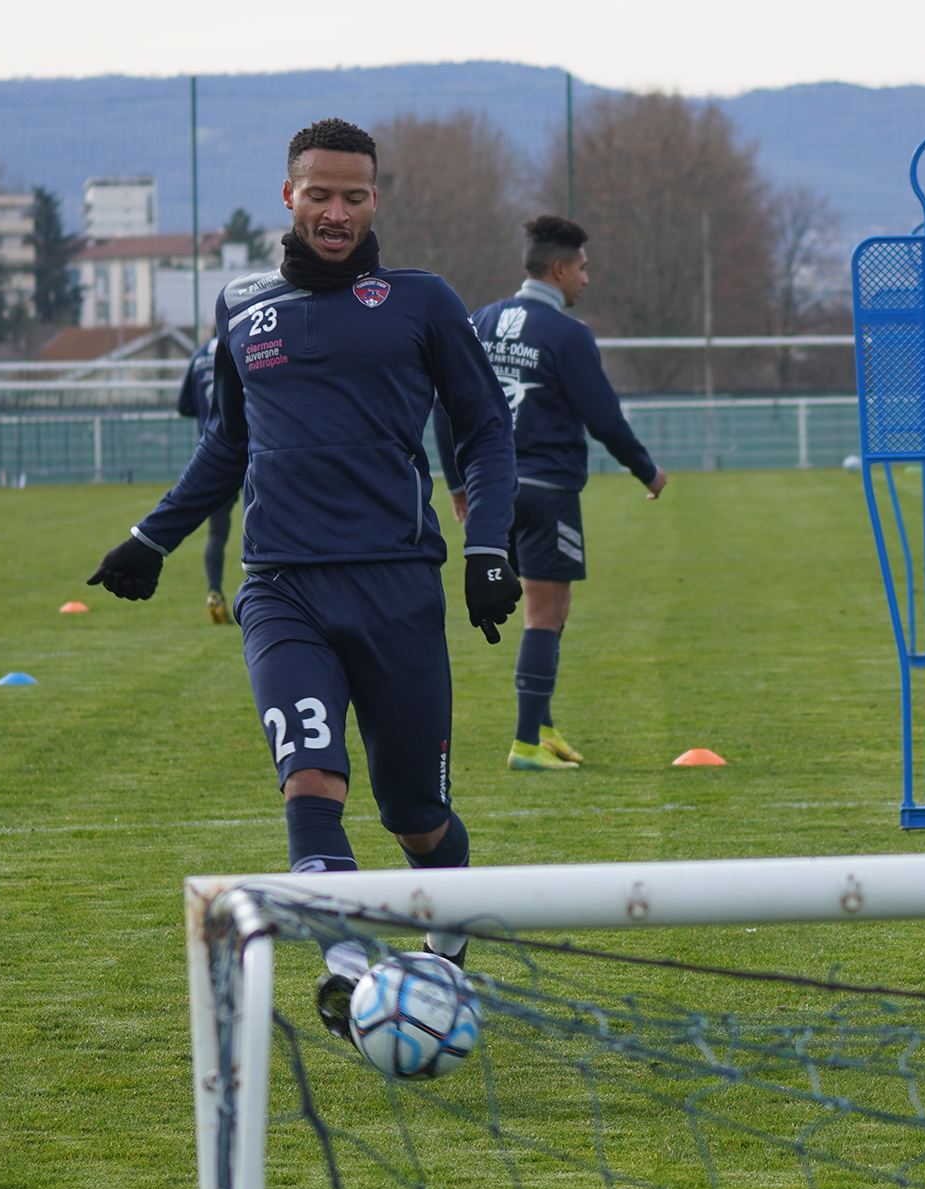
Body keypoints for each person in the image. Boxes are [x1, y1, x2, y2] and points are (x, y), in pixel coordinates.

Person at [85, 119, 521, 1035]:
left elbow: (483, 430)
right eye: (318, 193)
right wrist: (150, 538)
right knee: (311, 780)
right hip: (282, 586)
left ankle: (446, 960)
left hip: (398, 585)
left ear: (375, 201)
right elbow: (230, 442)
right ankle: (347, 968)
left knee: (417, 813)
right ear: (289, 195)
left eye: (353, 196)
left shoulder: (422, 301)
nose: (335, 211)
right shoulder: (241, 306)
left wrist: (488, 547)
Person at [433, 215, 667, 772]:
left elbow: (444, 405)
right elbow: (604, 417)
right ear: (559, 269)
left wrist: (460, 483)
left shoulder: (480, 320)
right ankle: (526, 743)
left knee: (546, 614)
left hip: (492, 492)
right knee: (547, 611)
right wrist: (646, 471)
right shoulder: (568, 334)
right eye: (583, 268)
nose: (587, 279)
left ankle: (541, 723)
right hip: (545, 491)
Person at [173, 336, 235, 623]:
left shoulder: (198, 356)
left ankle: (214, 592)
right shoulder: (242, 346)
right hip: (252, 448)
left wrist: (207, 414)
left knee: (216, 533)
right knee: (269, 521)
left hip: (214, 455)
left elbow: (183, 404)